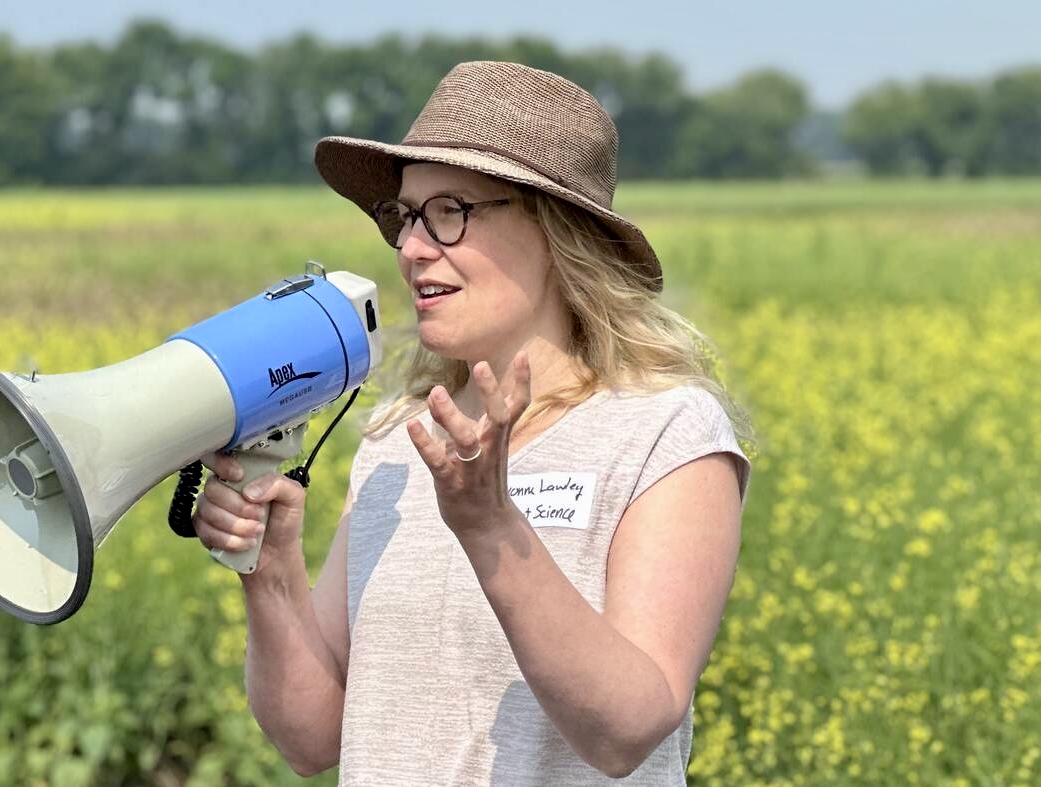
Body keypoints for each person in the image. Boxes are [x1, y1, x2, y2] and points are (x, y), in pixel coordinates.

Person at [192, 60, 751, 785]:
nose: (412, 247)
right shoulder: (397, 441)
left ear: (555, 228)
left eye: (449, 210)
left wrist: (491, 526)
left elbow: (628, 731)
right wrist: (269, 573)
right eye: (405, 215)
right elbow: (312, 737)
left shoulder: (665, 433)